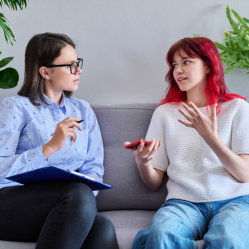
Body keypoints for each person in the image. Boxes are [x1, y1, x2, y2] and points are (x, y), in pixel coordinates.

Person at [125, 37, 249, 249]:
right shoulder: (165, 113)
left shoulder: (238, 108)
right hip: (184, 203)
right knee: (160, 236)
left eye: (186, 62)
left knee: (229, 240)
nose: (178, 70)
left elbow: (244, 174)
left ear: (209, 66)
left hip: (235, 201)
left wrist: (211, 138)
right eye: (174, 65)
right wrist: (142, 161)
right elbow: (154, 183)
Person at [0, 32, 119, 249]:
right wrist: (49, 147)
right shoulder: (16, 107)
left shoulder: (82, 110)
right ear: (45, 71)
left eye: (78, 63)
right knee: (79, 194)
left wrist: (83, 204)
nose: (79, 70)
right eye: (71, 65)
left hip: (70, 205)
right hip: (10, 202)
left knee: (102, 227)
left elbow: (93, 167)